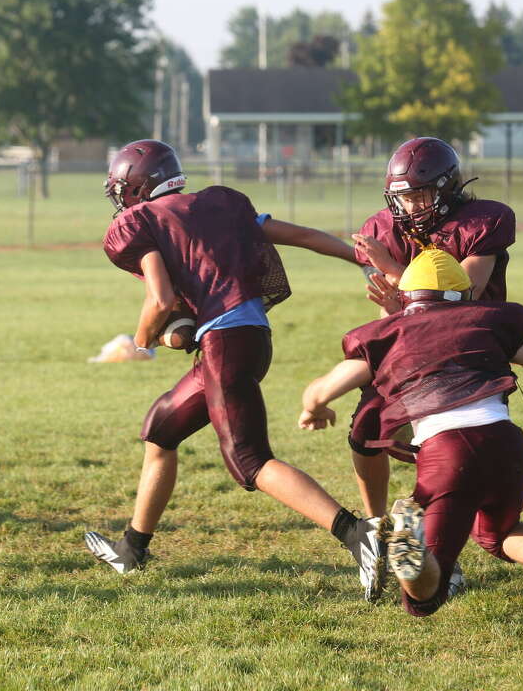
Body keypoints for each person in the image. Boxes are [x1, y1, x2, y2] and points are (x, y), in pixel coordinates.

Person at [84, 139, 390, 602]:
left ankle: (357, 535)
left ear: (138, 188)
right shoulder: (220, 204)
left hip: (225, 345)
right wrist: (362, 259)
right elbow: (305, 236)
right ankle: (131, 549)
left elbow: (160, 300)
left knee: (250, 461)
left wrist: (144, 340)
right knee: (161, 430)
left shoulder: (142, 220)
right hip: (246, 339)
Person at [297, 246, 523, 617]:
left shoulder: (391, 334)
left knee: (423, 598)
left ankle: (412, 543)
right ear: (466, 294)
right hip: (506, 443)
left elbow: (322, 390)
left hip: (448, 453)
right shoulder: (484, 322)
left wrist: (314, 408)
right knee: (499, 534)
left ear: (406, 296)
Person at [347, 137, 518, 524]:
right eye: (403, 198)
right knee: (364, 430)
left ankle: (432, 539)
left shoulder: (480, 223)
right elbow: (390, 313)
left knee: (452, 454)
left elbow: (462, 294)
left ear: (447, 187)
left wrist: (393, 270)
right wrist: (391, 306)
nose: (410, 207)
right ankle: (377, 527)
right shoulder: (383, 229)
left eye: (419, 195)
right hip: (411, 349)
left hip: (468, 354)